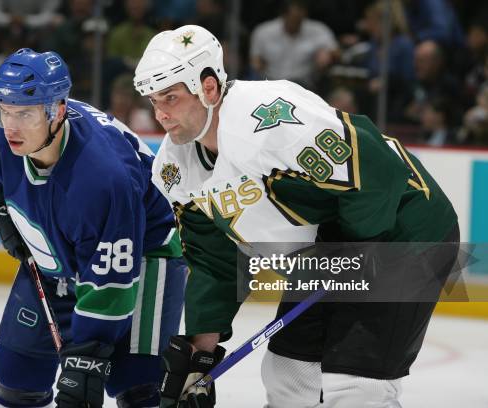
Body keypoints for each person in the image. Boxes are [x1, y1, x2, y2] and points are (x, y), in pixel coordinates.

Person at [133, 25, 459, 407]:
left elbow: (376, 170)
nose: (160, 114)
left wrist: (351, 248)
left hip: (404, 231)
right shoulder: (174, 168)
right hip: (329, 252)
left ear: (208, 88)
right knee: (289, 373)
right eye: (154, 100)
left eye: (170, 97)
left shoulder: (271, 117)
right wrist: (201, 348)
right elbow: (214, 257)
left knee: (354, 384)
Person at [0, 48, 186, 408]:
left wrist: (87, 356)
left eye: (24, 113)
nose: (10, 126)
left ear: (58, 111)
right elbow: (2, 168)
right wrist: (6, 208)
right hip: (66, 245)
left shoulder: (103, 180)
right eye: (4, 110)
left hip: (143, 254)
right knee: (17, 373)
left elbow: (112, 282)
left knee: (135, 384)